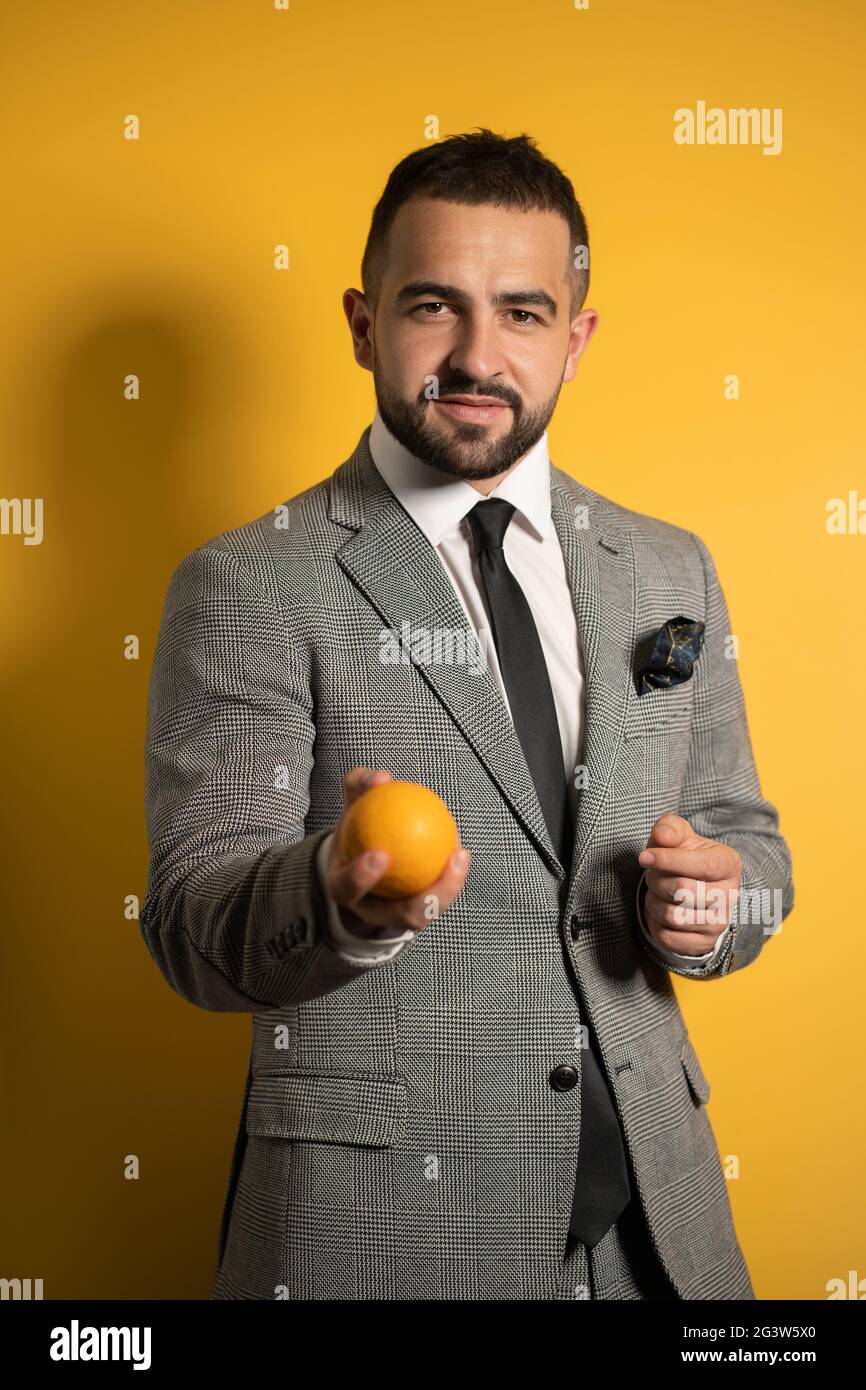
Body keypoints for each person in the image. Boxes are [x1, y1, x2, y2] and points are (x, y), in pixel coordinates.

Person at [139, 128, 794, 1300]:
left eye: (524, 312)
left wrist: (714, 903)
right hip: (384, 1240)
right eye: (432, 305)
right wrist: (335, 896)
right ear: (361, 320)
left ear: (575, 337)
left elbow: (748, 841)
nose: (476, 356)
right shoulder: (249, 582)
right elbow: (191, 923)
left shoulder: (665, 569)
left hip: (659, 1233)